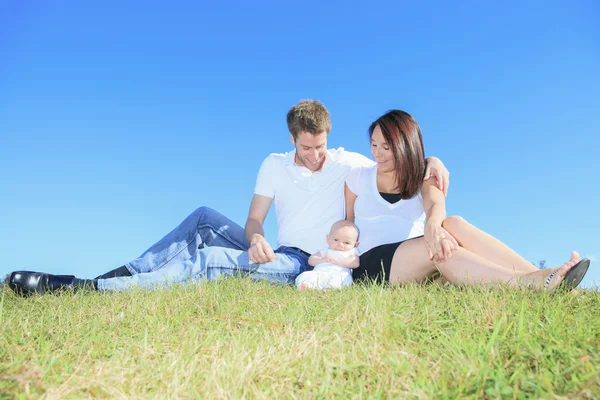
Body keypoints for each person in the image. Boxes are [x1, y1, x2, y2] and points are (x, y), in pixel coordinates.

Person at [7, 100, 450, 296]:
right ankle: (128, 272)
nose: (315, 156)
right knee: (203, 217)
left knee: (211, 260)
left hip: (305, 260)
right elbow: (254, 219)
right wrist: (256, 238)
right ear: (292, 139)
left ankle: (92, 290)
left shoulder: (346, 163)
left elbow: (395, 158)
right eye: (306, 148)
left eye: (321, 146)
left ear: (328, 138)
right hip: (276, 248)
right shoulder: (273, 165)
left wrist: (433, 161)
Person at [345, 109, 590, 291]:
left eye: (386, 147)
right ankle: (529, 284)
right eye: (374, 144)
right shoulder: (358, 177)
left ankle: (542, 276)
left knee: (453, 224)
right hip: (372, 263)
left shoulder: (423, 173)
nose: (377, 153)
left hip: (416, 257)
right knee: (437, 250)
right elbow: (347, 222)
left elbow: (435, 205)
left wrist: (433, 227)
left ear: (405, 146)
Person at [295, 220, 360, 290]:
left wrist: (337, 261)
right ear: (328, 239)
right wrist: (323, 260)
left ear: (355, 245)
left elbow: (355, 263)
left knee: (344, 278)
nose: (340, 245)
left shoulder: (351, 252)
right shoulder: (325, 251)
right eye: (336, 240)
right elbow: (311, 260)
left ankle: (331, 288)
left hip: (338, 274)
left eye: (346, 242)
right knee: (306, 275)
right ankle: (306, 286)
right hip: (320, 273)